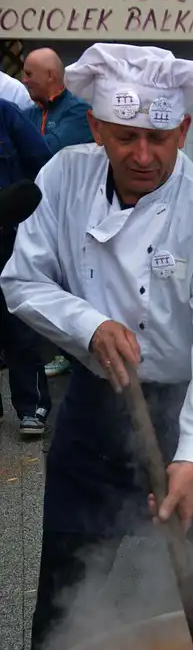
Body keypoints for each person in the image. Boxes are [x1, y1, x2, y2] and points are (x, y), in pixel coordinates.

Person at [0, 43, 193, 650]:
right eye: (126, 136)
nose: (144, 155)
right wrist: (89, 326)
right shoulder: (60, 179)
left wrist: (191, 458)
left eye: (160, 138)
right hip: (95, 407)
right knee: (68, 569)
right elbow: (21, 282)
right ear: (95, 128)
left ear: (184, 130)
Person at [22, 47, 95, 379]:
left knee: (71, 277)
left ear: (50, 76)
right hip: (36, 209)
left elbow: (47, 151)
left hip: (74, 211)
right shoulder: (30, 112)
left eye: (29, 73)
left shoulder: (79, 112)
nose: (24, 80)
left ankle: (74, 351)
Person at [0, 99, 52, 436]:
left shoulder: (6, 114)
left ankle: (30, 407)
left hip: (9, 236)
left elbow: (43, 167)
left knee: (18, 321)